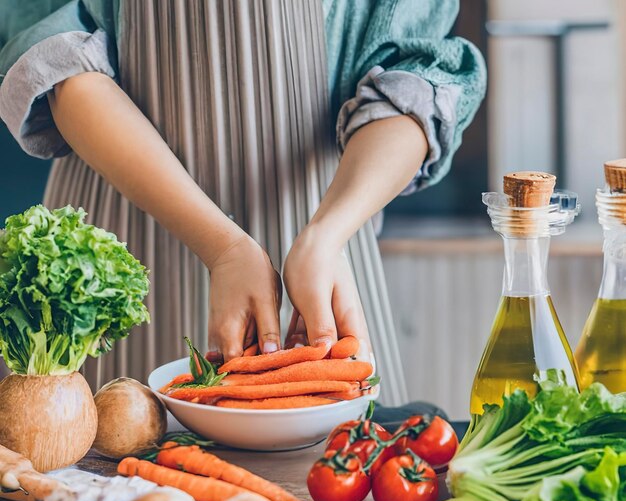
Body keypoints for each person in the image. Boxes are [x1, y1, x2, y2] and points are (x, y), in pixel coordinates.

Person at [0, 1, 485, 405]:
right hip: (126, 244)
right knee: (106, 471)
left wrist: (328, 235)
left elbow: (414, 80)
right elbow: (60, 65)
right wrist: (221, 247)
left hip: (322, 249)